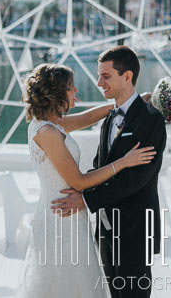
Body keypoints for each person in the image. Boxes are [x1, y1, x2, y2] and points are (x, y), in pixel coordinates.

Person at [22, 63, 156, 298]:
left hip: (71, 212)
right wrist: (123, 162)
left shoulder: (52, 124)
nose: (75, 91)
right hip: (61, 214)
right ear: (56, 92)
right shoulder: (47, 132)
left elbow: (88, 117)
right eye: (70, 87)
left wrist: (131, 102)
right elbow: (80, 181)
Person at [51, 46, 168, 298]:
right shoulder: (109, 120)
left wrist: (85, 200)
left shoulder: (151, 119)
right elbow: (100, 167)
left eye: (106, 76)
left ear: (127, 76)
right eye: (99, 75)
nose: (98, 82)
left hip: (135, 229)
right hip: (106, 229)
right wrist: (78, 187)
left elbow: (137, 178)